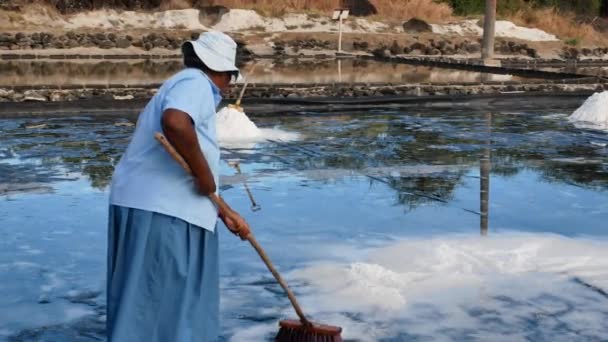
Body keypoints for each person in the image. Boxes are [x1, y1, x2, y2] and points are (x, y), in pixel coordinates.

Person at [106, 31, 251, 341]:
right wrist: (203, 176)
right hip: (164, 211)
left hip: (159, 206)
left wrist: (222, 210)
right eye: (230, 77)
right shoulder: (196, 82)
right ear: (222, 71)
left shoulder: (184, 84)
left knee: (154, 302)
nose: (229, 87)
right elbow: (175, 122)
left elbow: (193, 160)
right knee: (160, 302)